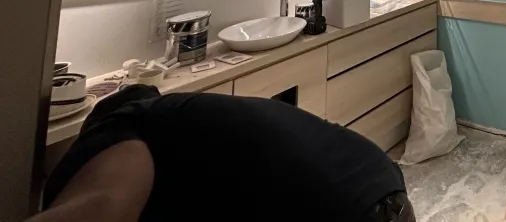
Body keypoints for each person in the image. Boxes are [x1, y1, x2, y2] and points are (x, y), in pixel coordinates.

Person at [32, 85, 416, 221]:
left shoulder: (123, 129)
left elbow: (104, 205)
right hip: (381, 186)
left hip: (350, 207)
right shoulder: (187, 122)